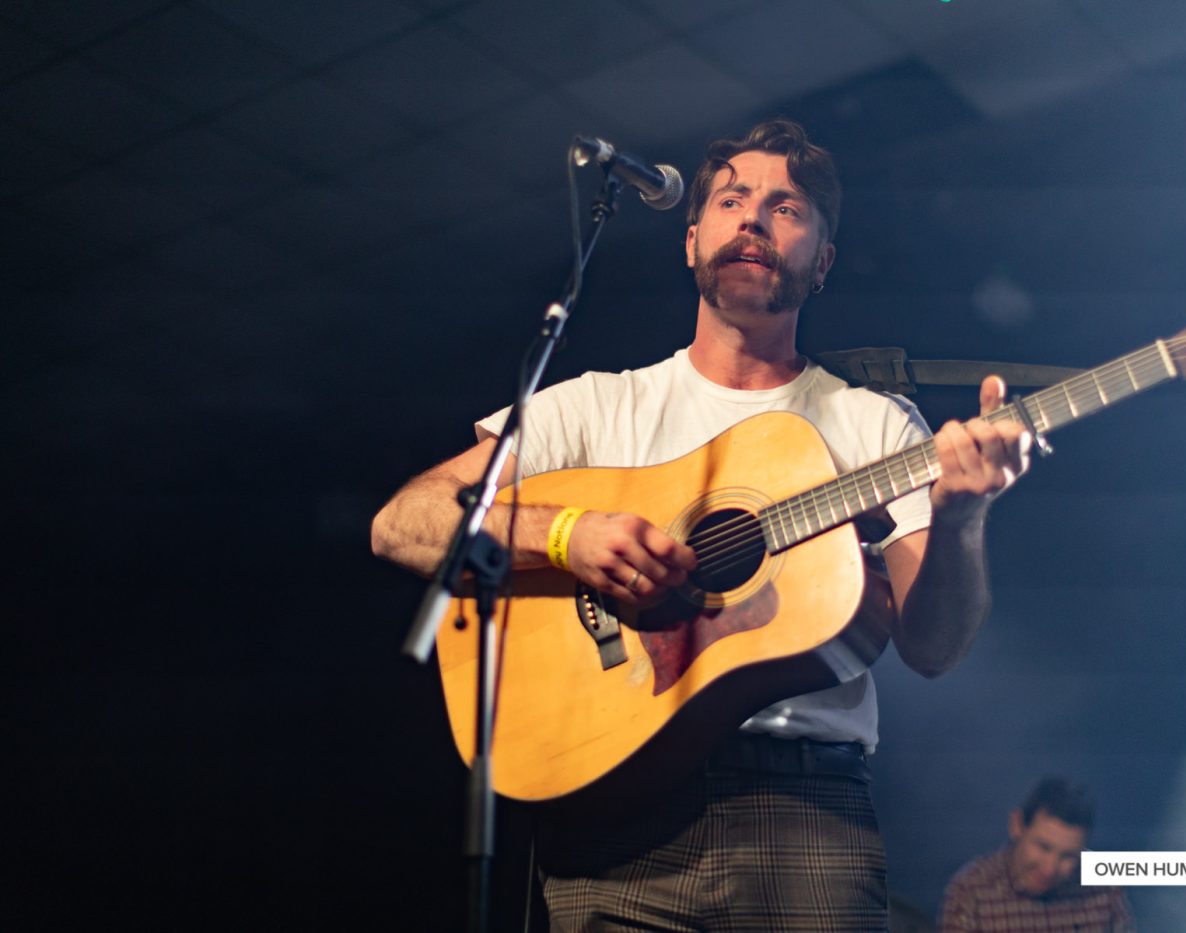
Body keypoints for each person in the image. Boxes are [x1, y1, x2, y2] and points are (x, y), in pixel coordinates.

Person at [371, 118, 1031, 931]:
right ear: (692, 241)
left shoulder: (875, 425)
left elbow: (933, 648)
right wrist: (565, 532)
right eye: (733, 200)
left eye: (786, 208)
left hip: (800, 812)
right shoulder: (594, 405)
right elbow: (404, 521)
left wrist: (962, 518)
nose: (754, 219)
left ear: (821, 263)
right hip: (608, 801)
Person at [936, 776, 1136, 932]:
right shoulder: (972, 890)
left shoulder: (1103, 888)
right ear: (1017, 825)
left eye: (1068, 856)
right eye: (1043, 847)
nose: (1050, 869)